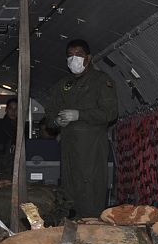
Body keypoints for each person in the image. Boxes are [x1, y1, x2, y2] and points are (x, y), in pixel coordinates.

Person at [43, 39, 118, 218]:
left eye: (78, 54)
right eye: (70, 55)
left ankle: (91, 224)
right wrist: (56, 122)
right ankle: (71, 223)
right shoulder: (63, 84)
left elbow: (110, 113)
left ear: (88, 58)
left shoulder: (101, 80)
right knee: (69, 187)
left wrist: (80, 115)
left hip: (91, 146)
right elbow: (49, 114)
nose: (73, 58)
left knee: (90, 187)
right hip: (68, 145)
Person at [0, 98, 18, 173]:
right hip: (3, 162)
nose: (13, 111)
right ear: (6, 110)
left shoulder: (22, 127)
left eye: (16, 109)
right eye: (10, 108)